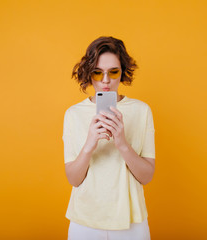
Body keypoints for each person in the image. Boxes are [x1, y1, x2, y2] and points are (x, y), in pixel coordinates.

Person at [62, 36, 156, 240]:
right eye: (97, 72)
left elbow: (147, 176)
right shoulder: (73, 114)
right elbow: (73, 179)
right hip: (84, 222)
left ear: (122, 71)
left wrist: (122, 143)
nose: (105, 80)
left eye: (113, 72)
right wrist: (89, 144)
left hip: (131, 222)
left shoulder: (141, 111)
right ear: (89, 73)